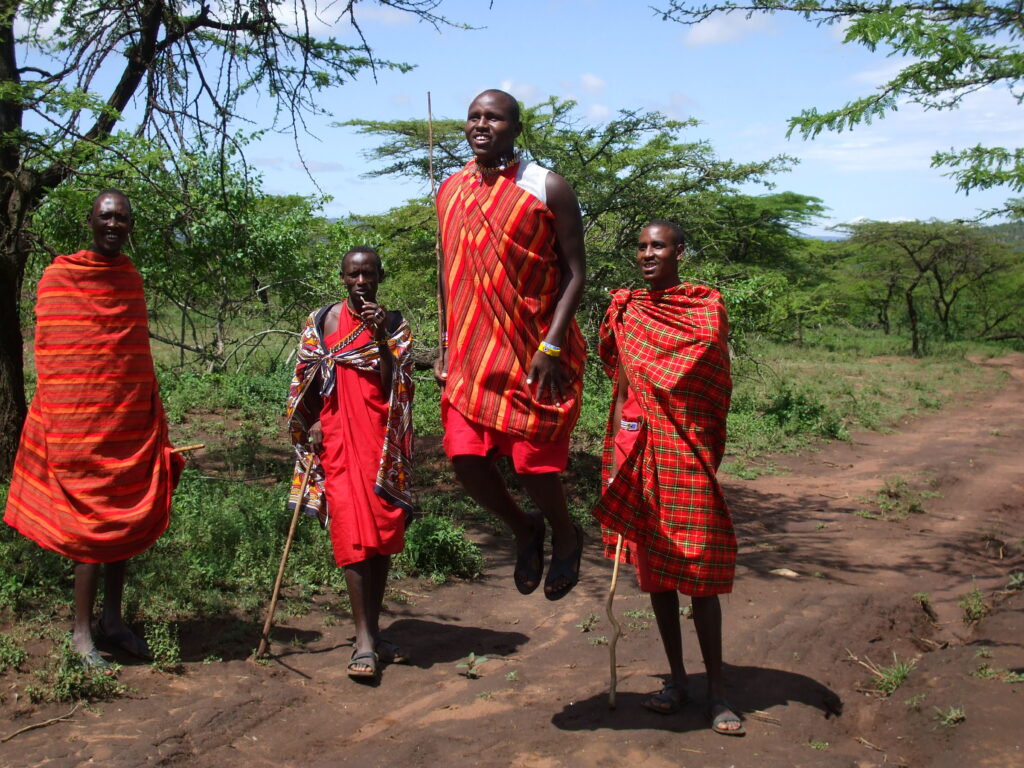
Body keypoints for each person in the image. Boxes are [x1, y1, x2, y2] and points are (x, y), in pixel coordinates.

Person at [4, 190, 184, 671]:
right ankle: (81, 633)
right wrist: (65, 415)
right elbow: (55, 352)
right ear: (90, 220)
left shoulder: (129, 278)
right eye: (106, 216)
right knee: (89, 529)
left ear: (130, 226)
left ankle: (113, 621)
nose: (113, 224)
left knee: (121, 523)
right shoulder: (60, 277)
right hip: (78, 425)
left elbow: (134, 355)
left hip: (125, 423)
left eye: (122, 218)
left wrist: (147, 411)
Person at [592, 221, 744, 736]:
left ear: (679, 250)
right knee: (656, 572)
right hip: (638, 445)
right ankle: (678, 680)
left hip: (686, 445)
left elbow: (704, 372)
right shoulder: (628, 308)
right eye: (641, 247)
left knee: (698, 568)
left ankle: (718, 692)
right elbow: (613, 363)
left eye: (658, 246)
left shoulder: (704, 307)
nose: (647, 254)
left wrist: (660, 388)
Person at [434, 89, 586, 600]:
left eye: (494, 118)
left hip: (534, 351)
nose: (481, 124)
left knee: (532, 463)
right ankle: (524, 529)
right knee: (464, 460)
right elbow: (448, 272)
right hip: (472, 353)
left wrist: (551, 346)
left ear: (515, 128)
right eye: (474, 116)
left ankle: (565, 532)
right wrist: (448, 344)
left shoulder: (547, 187)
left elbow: (575, 273)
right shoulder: (450, 189)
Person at [287, 247, 414, 682]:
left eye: (369, 274)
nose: (362, 282)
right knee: (351, 531)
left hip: (382, 444)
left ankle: (373, 633)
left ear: (381, 275)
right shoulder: (321, 321)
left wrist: (380, 337)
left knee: (381, 530)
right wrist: (314, 423)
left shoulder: (395, 324)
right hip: (339, 442)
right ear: (342, 277)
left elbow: (396, 387)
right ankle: (362, 640)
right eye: (354, 275)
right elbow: (305, 381)